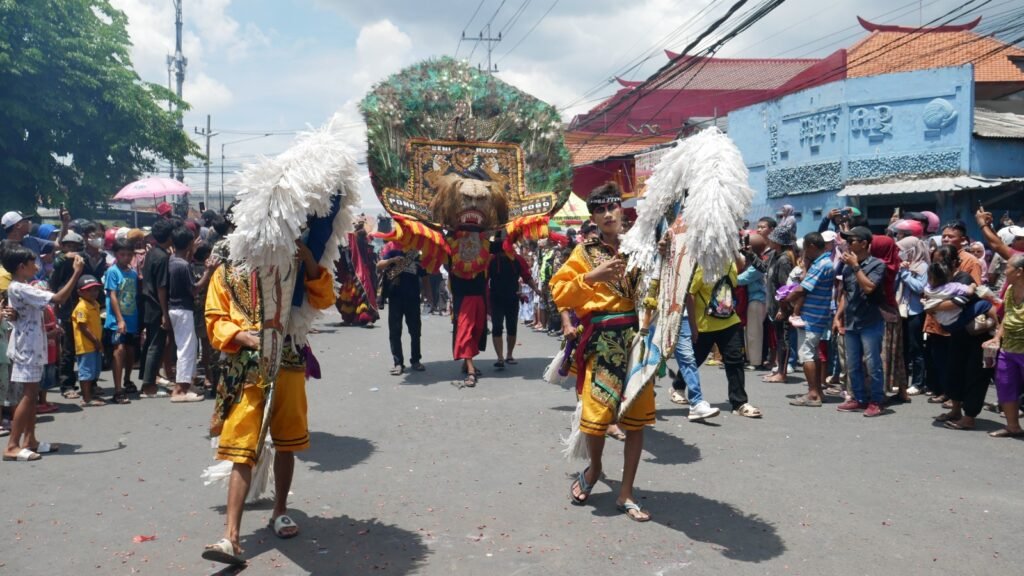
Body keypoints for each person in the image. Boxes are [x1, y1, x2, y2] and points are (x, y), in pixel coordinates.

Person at [204, 239, 335, 562]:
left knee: (286, 441)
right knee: (242, 447)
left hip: (288, 361)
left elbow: (324, 298)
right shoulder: (228, 271)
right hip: (246, 368)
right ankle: (230, 537)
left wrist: (310, 263)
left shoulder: (294, 264)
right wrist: (241, 336)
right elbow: (215, 316)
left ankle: (279, 510)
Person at [551, 183, 654, 522]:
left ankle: (626, 491)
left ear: (623, 210)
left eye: (613, 207)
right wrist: (592, 277)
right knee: (595, 421)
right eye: (601, 209)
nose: (609, 214)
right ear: (593, 217)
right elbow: (560, 292)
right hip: (603, 341)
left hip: (637, 341)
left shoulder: (640, 247)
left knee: (636, 421)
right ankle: (594, 469)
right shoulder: (583, 254)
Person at [2, 244, 83, 461]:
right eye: (32, 263)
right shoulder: (20, 287)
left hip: (32, 345)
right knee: (28, 396)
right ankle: (12, 445)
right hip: (26, 348)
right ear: (21, 266)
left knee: (32, 394)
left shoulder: (22, 286)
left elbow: (22, 311)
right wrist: (76, 273)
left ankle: (30, 440)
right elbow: (58, 299)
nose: (36, 266)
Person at [691, 259, 762, 418]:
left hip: (729, 320)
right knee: (695, 359)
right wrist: (693, 325)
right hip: (705, 323)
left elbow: (739, 280)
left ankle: (740, 403)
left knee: (735, 360)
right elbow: (691, 294)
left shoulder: (731, 263)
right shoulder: (702, 266)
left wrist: (746, 253)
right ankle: (678, 385)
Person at [834, 226, 887, 417]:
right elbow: (846, 294)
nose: (848, 244)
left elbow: (869, 288)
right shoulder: (847, 266)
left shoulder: (877, 265)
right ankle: (859, 398)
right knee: (853, 363)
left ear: (864, 243)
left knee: (873, 363)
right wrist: (838, 316)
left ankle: (876, 400)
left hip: (870, 321)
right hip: (851, 321)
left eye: (852, 241)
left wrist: (856, 266)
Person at [787, 232, 835, 407]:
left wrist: (786, 298)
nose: (805, 252)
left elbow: (803, 288)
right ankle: (818, 391)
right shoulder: (823, 262)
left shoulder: (821, 264)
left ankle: (813, 394)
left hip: (812, 317)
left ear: (812, 247)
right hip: (817, 314)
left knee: (806, 354)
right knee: (813, 354)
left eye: (806, 249)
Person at [167, 226, 208, 402]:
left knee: (187, 347)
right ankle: (180, 389)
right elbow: (194, 290)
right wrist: (209, 272)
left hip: (175, 308)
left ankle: (186, 383)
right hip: (183, 308)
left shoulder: (173, 260)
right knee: (186, 349)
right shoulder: (183, 266)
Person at [487, 233, 539, 369]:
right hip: (496, 297)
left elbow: (527, 277)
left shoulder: (517, 259)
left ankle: (509, 354)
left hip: (512, 297)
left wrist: (536, 290)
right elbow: (484, 279)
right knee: (497, 327)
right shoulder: (491, 260)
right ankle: (500, 357)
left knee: (512, 326)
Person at [987, 254, 1024, 437]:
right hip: (1008, 348)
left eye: (1007, 267)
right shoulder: (1009, 289)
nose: (1003, 270)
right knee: (1005, 385)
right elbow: (1007, 316)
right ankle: (1012, 426)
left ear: (1019, 272)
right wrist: (997, 337)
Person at [139, 219, 176, 399]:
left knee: (150, 344)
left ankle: (147, 380)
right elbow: (162, 288)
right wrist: (165, 313)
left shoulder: (153, 253)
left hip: (148, 303)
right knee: (156, 345)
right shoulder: (161, 257)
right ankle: (149, 386)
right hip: (156, 305)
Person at [377, 241, 427, 376]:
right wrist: (392, 260)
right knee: (395, 332)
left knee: (415, 332)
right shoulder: (394, 251)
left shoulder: (417, 255)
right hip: (395, 298)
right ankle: (398, 363)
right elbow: (379, 265)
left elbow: (424, 274)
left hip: (413, 299)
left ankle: (415, 360)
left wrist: (428, 296)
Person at [104, 240, 139, 403]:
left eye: (129, 255)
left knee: (131, 352)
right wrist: (119, 319)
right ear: (116, 255)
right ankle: (118, 389)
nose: (125, 258)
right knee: (119, 350)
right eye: (122, 254)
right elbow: (112, 295)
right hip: (117, 320)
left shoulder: (132, 273)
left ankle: (127, 379)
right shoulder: (113, 272)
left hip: (132, 318)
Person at [896, 235, 929, 396]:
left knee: (916, 348)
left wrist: (905, 274)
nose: (900, 254)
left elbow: (920, 287)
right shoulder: (903, 266)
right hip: (902, 310)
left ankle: (918, 382)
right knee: (903, 348)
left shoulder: (923, 267)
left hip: (916, 312)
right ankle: (902, 381)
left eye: (903, 251)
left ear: (912, 251)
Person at [764, 222, 796, 383]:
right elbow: (763, 268)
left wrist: (783, 309)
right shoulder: (774, 256)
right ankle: (779, 368)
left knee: (784, 339)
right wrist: (750, 255)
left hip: (781, 307)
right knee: (778, 338)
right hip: (773, 306)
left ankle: (782, 373)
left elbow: (786, 287)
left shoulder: (784, 260)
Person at [72, 275, 105, 406]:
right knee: (86, 372)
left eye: (95, 289)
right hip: (86, 346)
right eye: (89, 290)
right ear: (80, 292)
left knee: (93, 371)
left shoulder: (95, 304)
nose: (93, 293)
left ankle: (90, 394)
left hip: (94, 345)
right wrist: (96, 341)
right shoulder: (81, 307)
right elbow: (83, 326)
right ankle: (86, 398)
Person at [737, 233, 768, 369]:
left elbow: (741, 279)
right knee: (750, 331)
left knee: (754, 332)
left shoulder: (756, 266)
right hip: (754, 300)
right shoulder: (755, 262)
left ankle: (755, 361)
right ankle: (751, 359)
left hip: (757, 300)